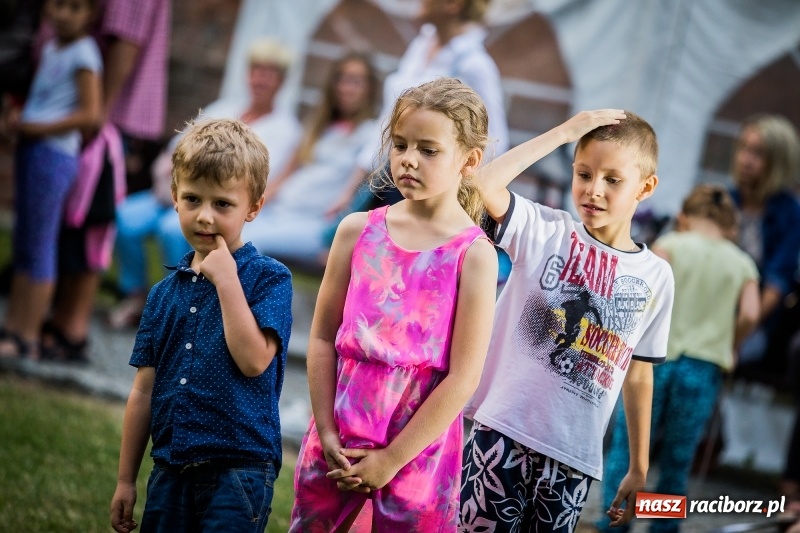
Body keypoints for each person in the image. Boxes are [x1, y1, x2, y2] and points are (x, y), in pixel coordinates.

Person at [289, 78, 498, 531]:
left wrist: (392, 459)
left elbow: (464, 377)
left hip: (416, 454)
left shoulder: (474, 256)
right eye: (400, 145)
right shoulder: (357, 231)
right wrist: (325, 432)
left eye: (428, 149)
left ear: (470, 160)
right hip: (337, 439)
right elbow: (323, 337)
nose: (408, 158)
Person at [460, 109, 675, 532]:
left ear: (645, 187)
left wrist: (638, 465)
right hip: (502, 432)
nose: (594, 190)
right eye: (584, 174)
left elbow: (639, 375)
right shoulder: (546, 230)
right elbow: (481, 184)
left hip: (575, 459)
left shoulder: (657, 276)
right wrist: (563, 133)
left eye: (613, 180)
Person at [109, 118, 293, 532]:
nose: (205, 216)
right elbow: (144, 391)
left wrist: (227, 281)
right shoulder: (162, 294)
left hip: (239, 470)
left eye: (222, 204)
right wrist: (125, 479)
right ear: (174, 198)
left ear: (254, 206)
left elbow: (253, 361)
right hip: (170, 467)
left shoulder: (269, 279)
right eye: (192, 199)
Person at [106, 38, 302, 330]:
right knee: (126, 218)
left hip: (212, 202)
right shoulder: (224, 107)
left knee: (172, 230)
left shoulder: (285, 129)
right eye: (256, 70)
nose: (260, 79)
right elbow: (176, 147)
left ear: (282, 81)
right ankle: (135, 295)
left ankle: (186, 306)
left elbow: (257, 179)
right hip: (179, 192)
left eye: (269, 73)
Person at [596, 184, 760, 533]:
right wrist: (730, 343)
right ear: (731, 226)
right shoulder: (743, 263)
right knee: (678, 458)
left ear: (684, 217)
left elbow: (644, 293)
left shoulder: (669, 246)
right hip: (703, 368)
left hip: (654, 363)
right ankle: (663, 527)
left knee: (628, 448)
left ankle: (615, 522)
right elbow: (750, 312)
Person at [326, 0, 509, 219]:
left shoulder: (475, 65)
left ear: (453, 4)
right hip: (389, 178)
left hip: (426, 191)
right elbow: (387, 123)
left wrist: (453, 198)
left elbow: (495, 142)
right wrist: (352, 189)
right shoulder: (421, 46)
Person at [0, 0, 102, 360]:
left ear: (90, 14)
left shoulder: (85, 53)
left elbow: (90, 114)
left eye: (74, 7)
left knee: (41, 244)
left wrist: (39, 127)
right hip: (32, 148)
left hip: (54, 155)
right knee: (24, 242)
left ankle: (27, 335)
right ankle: (12, 327)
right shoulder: (51, 47)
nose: (63, 14)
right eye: (58, 5)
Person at [244, 52, 378, 266]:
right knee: (227, 229)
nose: (346, 87)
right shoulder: (318, 127)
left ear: (370, 87)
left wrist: (337, 237)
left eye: (355, 81)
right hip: (278, 212)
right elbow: (283, 176)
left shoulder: (370, 135)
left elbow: (360, 195)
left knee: (248, 243)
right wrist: (252, 206)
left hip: (315, 226)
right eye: (341, 79)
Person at [731, 114, 800, 377]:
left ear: (778, 163)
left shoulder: (791, 213)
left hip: (754, 321)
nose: (746, 159)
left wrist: (736, 337)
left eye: (758, 153)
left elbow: (776, 284)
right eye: (744, 149)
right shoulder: (727, 199)